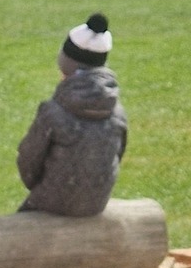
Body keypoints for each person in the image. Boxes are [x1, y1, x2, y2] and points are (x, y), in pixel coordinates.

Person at [16, 13, 128, 218]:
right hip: (96, 203)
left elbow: (28, 161)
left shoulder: (52, 112)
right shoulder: (117, 113)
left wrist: (40, 186)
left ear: (65, 63)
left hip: (51, 201)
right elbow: (117, 157)